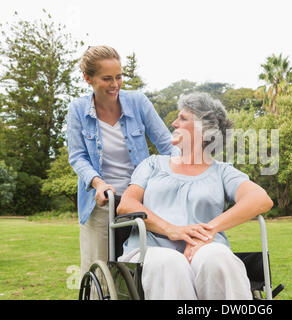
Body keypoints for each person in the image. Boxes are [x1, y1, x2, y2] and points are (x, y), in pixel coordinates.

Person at [117, 92, 273, 300]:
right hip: (151, 249)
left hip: (204, 248)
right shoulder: (153, 164)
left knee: (218, 258)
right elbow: (126, 205)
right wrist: (173, 230)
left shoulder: (222, 172)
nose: (173, 123)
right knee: (172, 263)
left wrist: (207, 232)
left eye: (183, 118)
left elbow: (261, 199)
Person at [66, 45, 178, 278]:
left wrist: (181, 173)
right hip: (99, 203)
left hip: (140, 198)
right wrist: (98, 183)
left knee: (145, 268)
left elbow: (167, 144)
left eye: (119, 77)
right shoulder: (77, 110)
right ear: (88, 79)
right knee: (99, 272)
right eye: (107, 78)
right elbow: (78, 157)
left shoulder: (138, 102)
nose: (115, 84)